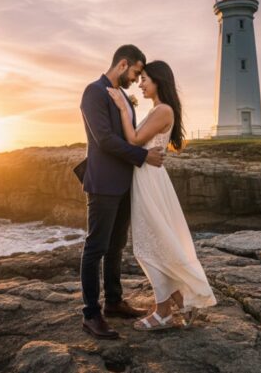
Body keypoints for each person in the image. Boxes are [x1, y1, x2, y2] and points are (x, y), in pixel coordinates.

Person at [106, 60, 217, 331]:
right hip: (147, 178)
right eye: (140, 78)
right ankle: (181, 301)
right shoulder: (159, 109)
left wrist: (123, 107)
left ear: (159, 81)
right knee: (155, 242)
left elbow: (133, 140)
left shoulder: (163, 110)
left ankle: (164, 312)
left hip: (149, 181)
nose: (140, 84)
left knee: (150, 245)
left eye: (144, 79)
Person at [77, 44, 165, 340]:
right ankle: (91, 314)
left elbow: (130, 135)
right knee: (95, 248)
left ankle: (113, 301)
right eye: (136, 72)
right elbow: (103, 140)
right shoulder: (93, 92)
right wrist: (143, 157)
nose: (137, 78)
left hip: (126, 184)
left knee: (115, 247)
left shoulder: (124, 97)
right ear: (123, 64)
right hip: (103, 184)